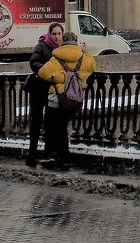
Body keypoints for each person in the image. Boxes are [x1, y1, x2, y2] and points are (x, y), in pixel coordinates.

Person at [37, 31, 96, 170]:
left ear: (62, 41)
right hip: (72, 98)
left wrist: (60, 77)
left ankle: (50, 155)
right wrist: (86, 51)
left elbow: (42, 73)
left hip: (55, 97)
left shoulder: (56, 56)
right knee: (63, 128)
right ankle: (64, 157)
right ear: (76, 41)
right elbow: (93, 66)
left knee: (50, 128)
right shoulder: (82, 56)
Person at [25, 22, 63, 167]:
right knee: (36, 122)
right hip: (39, 89)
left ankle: (48, 154)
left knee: (50, 123)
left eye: (59, 34)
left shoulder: (62, 49)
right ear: (49, 34)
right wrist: (48, 70)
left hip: (53, 91)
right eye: (54, 34)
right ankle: (32, 154)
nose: (57, 37)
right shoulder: (41, 46)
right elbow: (34, 63)